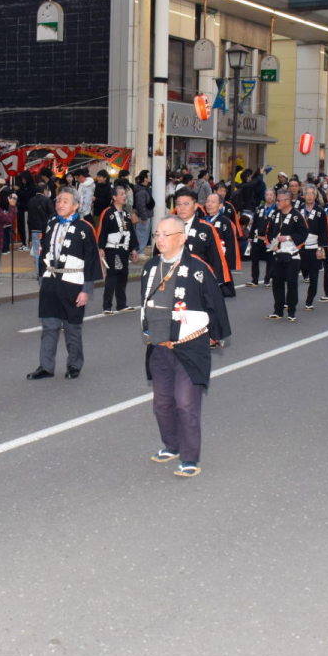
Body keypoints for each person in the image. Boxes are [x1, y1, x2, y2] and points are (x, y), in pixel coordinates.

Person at [142, 215, 231, 478]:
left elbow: (215, 303)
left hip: (190, 347)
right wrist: (147, 329)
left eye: (165, 235)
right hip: (159, 346)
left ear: (181, 238)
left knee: (186, 403)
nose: (159, 239)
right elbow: (146, 303)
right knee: (162, 403)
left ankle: (190, 458)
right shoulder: (151, 267)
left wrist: (216, 335)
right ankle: (172, 445)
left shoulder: (198, 268)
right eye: (157, 234)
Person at [26, 189, 103, 380]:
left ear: (76, 205)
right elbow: (44, 251)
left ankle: (74, 363)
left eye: (65, 201)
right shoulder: (51, 222)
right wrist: (42, 278)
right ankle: (46, 366)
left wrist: (86, 290)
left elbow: (91, 260)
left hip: (73, 282)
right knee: (49, 325)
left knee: (72, 327)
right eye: (58, 200)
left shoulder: (85, 228)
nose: (60, 204)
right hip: (50, 280)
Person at [264, 188, 308, 322]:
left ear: (288, 201)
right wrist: (271, 244)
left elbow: (303, 234)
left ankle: (291, 311)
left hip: (292, 255)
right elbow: (268, 231)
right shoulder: (275, 214)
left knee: (292, 283)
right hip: (277, 254)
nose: (277, 202)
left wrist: (288, 237)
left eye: (279, 200)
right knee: (277, 282)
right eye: (277, 200)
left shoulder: (297, 216)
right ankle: (278, 310)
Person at [97, 186, 139, 313]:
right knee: (112, 275)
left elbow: (131, 232)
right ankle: (107, 305)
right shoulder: (108, 212)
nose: (124, 196)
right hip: (112, 249)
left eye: (124, 194)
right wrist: (100, 247)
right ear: (114, 197)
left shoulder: (126, 213)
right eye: (121, 194)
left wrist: (134, 248)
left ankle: (121, 304)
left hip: (123, 249)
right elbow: (102, 230)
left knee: (123, 275)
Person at [295, 185, 328, 311]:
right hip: (300, 247)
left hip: (314, 247)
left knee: (314, 276)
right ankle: (291, 300)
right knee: (292, 275)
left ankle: (309, 301)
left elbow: (324, 231)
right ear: (303, 196)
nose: (309, 196)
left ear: (315, 196)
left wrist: (320, 248)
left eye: (312, 193)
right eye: (307, 194)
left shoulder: (320, 211)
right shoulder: (299, 210)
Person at [201, 193, 240, 301]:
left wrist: (229, 262)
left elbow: (231, 244)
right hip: (204, 258)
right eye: (208, 201)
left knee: (220, 291)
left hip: (220, 258)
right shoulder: (201, 220)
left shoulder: (226, 222)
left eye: (213, 202)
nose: (209, 204)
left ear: (220, 205)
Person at [247, 189, 276, 287]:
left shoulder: (277, 210)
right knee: (254, 259)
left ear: (274, 196)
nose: (269, 197)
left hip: (270, 239)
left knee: (270, 260)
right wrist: (250, 236)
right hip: (257, 237)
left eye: (271, 195)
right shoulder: (260, 209)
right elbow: (254, 223)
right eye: (267, 195)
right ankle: (254, 280)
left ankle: (267, 280)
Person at [27, 182, 53, 260]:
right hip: (45, 229)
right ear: (44, 190)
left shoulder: (31, 201)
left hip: (34, 228)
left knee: (36, 250)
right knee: (45, 249)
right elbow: (52, 214)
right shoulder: (47, 200)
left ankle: (38, 266)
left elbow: (29, 217)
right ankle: (43, 266)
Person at [132, 170, 154, 251]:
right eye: (149, 176)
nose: (150, 177)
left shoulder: (144, 188)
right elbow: (141, 206)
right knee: (142, 234)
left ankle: (141, 251)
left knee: (144, 234)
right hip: (143, 217)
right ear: (145, 178)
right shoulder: (141, 191)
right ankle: (140, 251)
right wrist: (144, 218)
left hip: (146, 216)